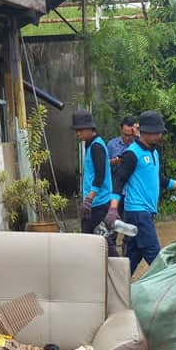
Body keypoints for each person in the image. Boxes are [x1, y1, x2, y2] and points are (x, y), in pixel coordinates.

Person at [105, 110, 176, 274]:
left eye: (160, 132)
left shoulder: (154, 152)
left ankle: (112, 291)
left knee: (130, 261)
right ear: (145, 132)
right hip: (138, 212)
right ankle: (170, 292)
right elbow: (119, 180)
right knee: (157, 260)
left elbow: (160, 180)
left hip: (145, 213)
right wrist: (113, 209)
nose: (159, 136)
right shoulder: (132, 154)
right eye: (156, 132)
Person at [71, 109, 116, 256]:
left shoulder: (96, 146)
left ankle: (118, 272)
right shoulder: (90, 144)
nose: (78, 134)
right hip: (93, 203)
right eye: (76, 130)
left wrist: (89, 199)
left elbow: (100, 175)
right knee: (92, 241)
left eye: (81, 130)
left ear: (91, 128)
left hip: (98, 204)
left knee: (102, 242)